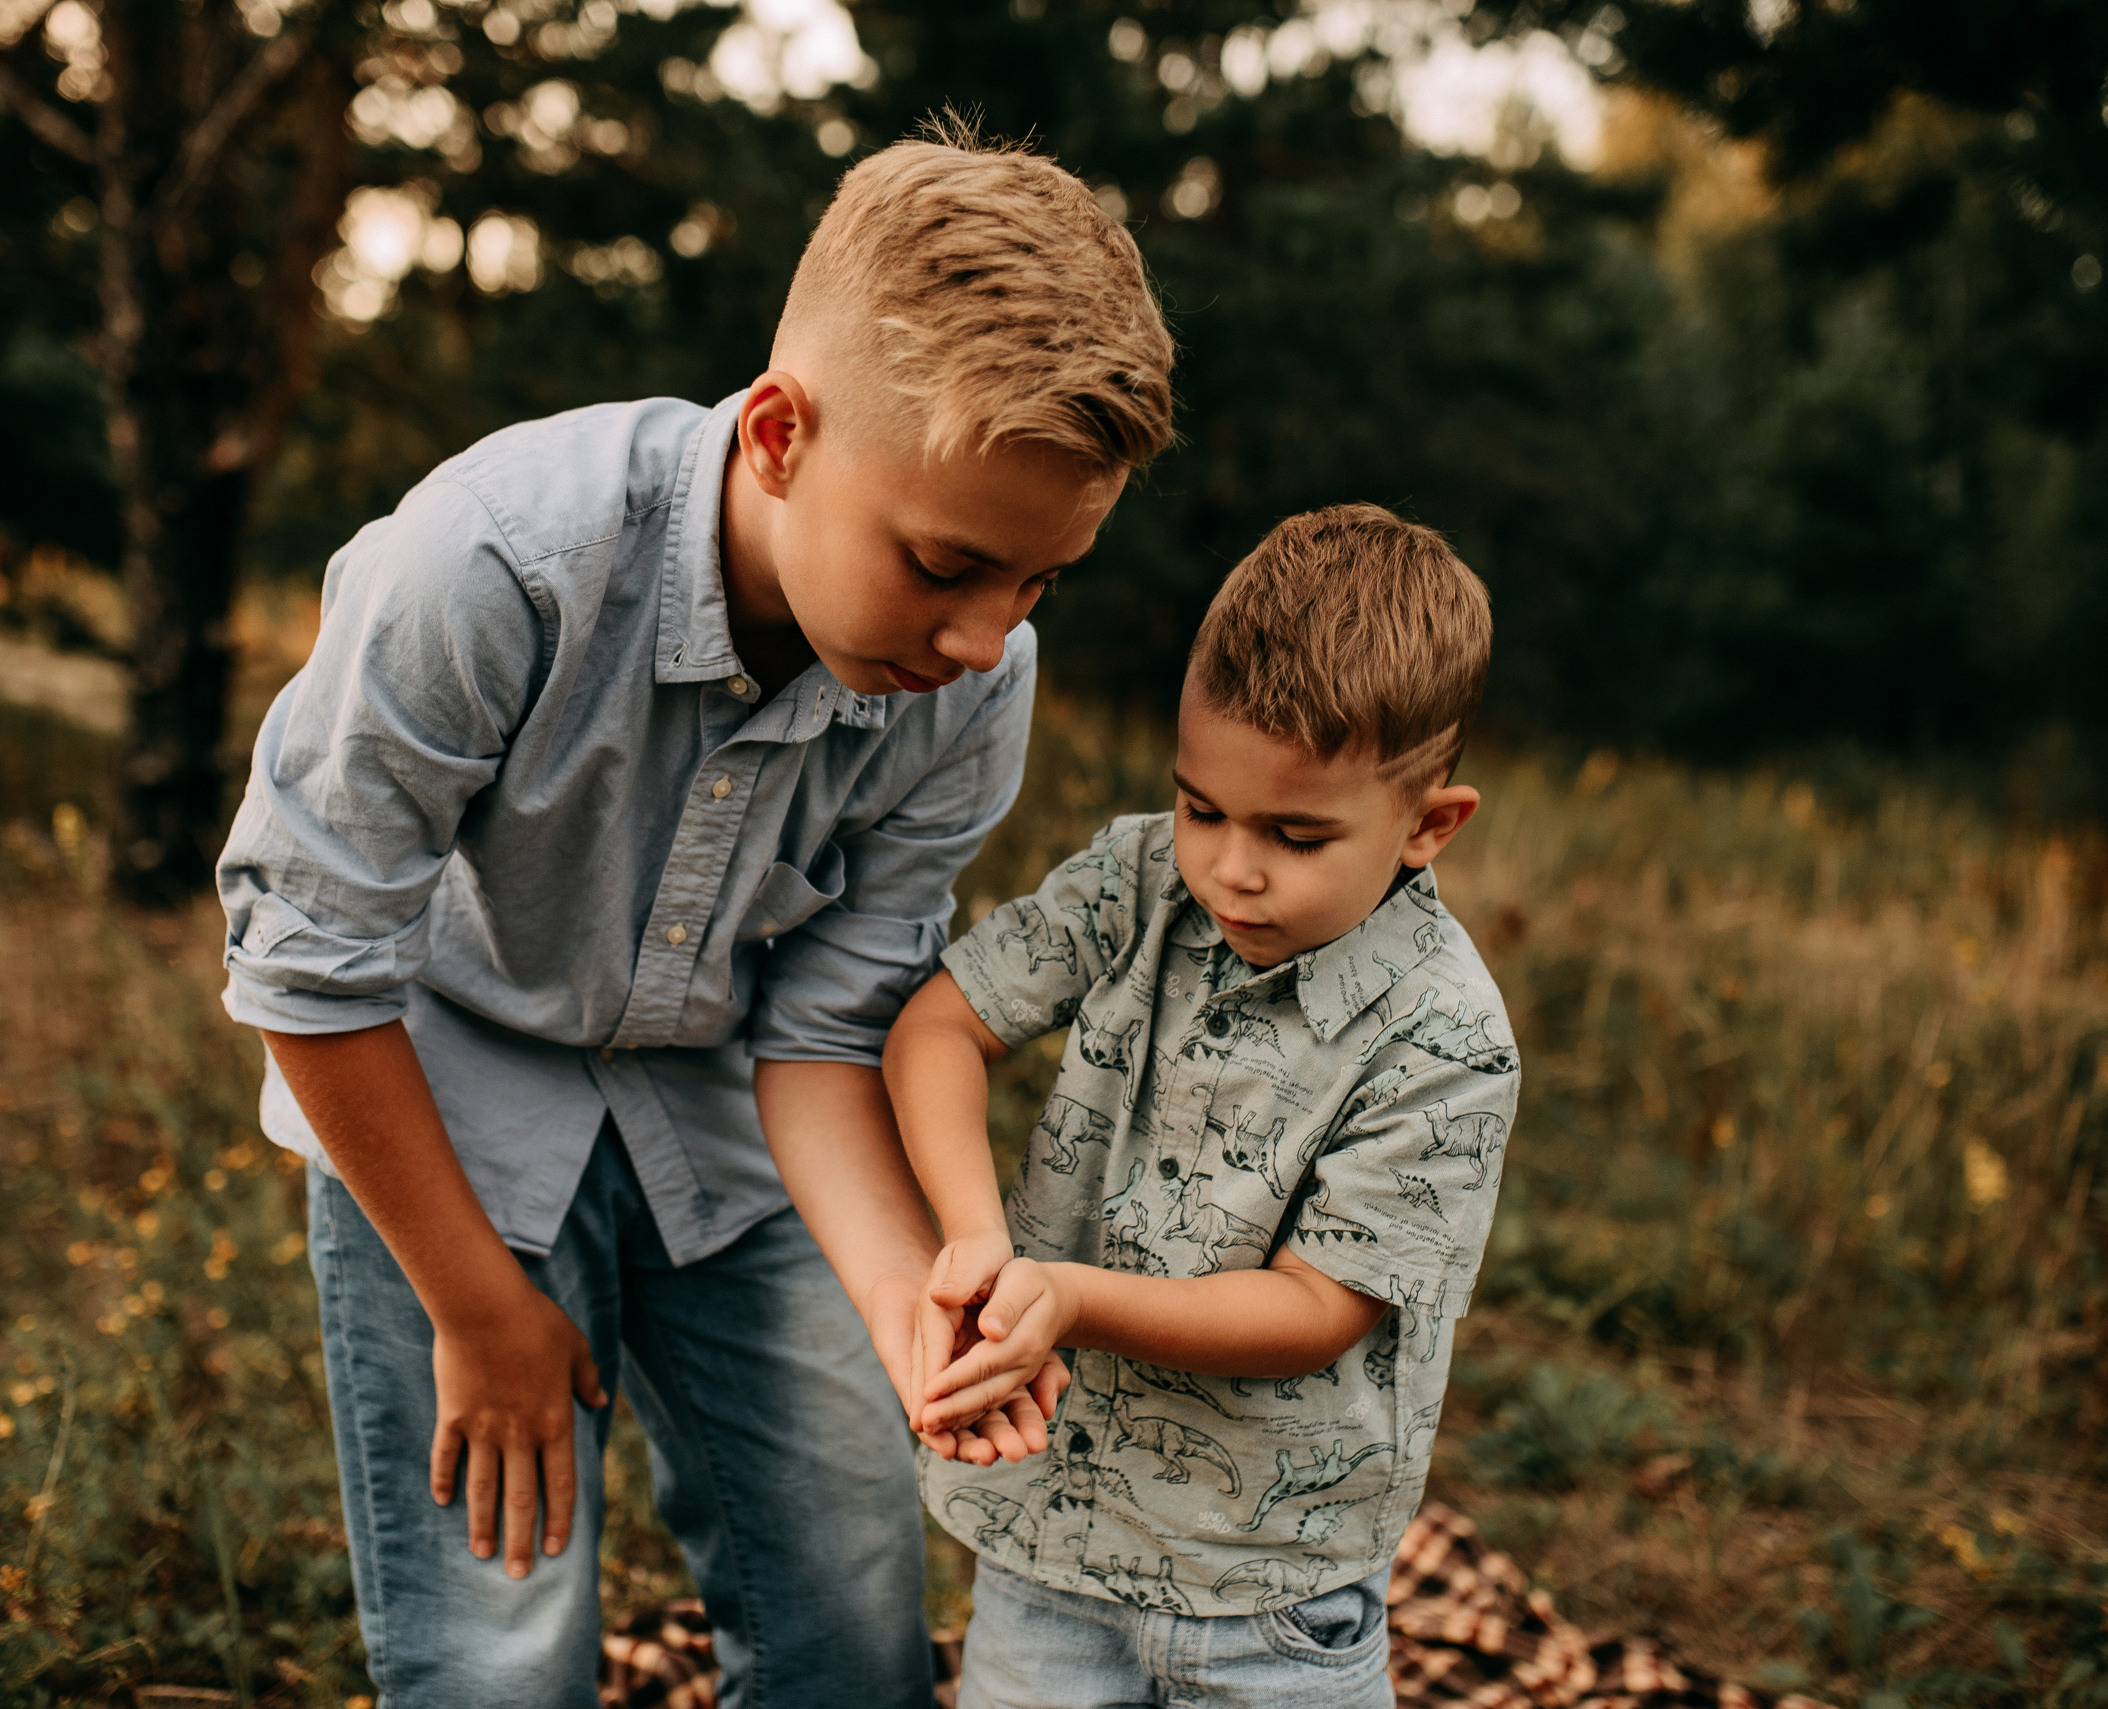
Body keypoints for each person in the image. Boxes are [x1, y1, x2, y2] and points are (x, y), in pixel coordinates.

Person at [213, 127, 1175, 1709]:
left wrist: (902, 1305)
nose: (987, 635)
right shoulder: (498, 561)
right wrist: (477, 1306)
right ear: (783, 435)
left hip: (733, 1117)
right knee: (495, 1654)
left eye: (1040, 584)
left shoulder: (968, 679)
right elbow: (308, 962)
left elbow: (822, 1023)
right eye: (947, 565)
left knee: (854, 1636)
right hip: (446, 1103)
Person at [880, 504, 1519, 1708]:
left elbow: (1314, 1307)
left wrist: (1065, 1294)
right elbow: (937, 1026)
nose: (1230, 866)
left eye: (1295, 833)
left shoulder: (1445, 1035)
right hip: (1053, 1533)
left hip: (1270, 1584)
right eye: (1202, 806)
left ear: (1427, 824)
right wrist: (978, 1237)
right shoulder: (1138, 879)